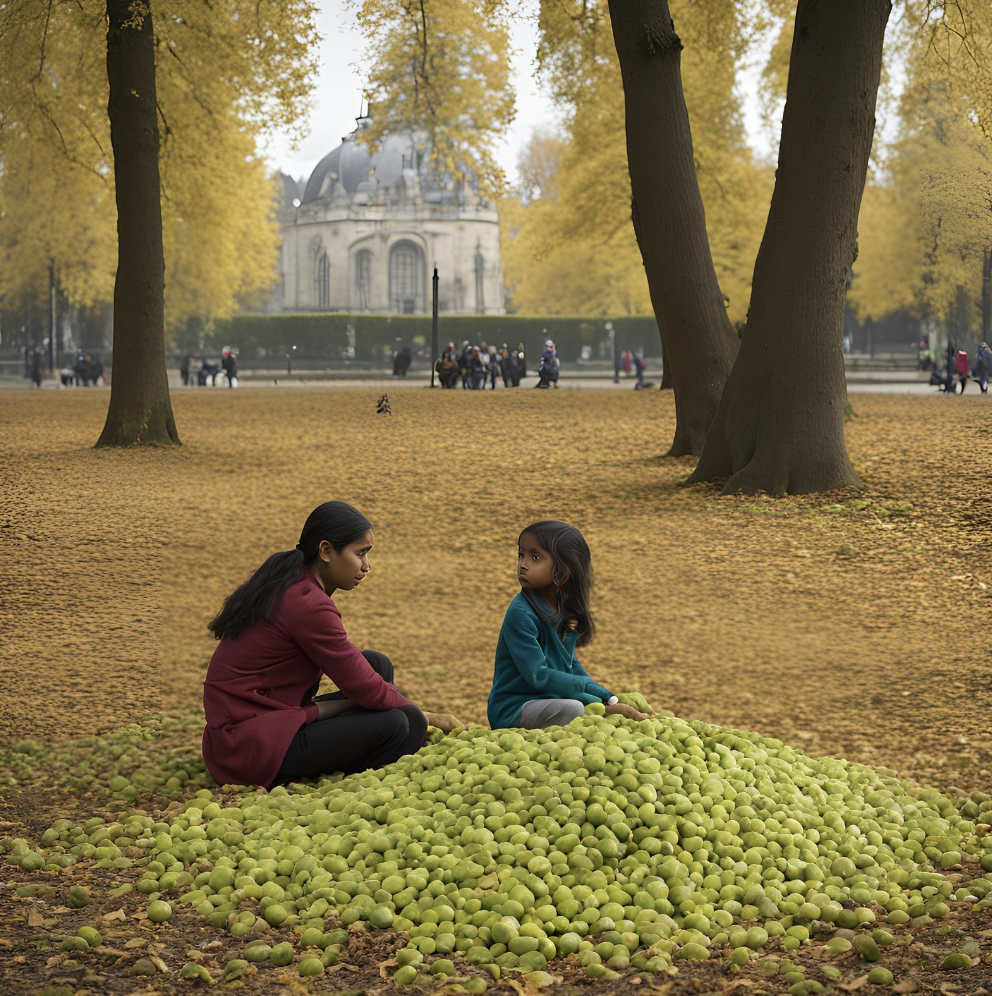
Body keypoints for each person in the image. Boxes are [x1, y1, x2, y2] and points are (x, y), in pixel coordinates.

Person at [202, 501, 446, 788]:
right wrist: (427, 716)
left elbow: (359, 675)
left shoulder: (294, 583)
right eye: (360, 554)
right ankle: (354, 776)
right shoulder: (307, 604)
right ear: (326, 551)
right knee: (400, 723)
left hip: (258, 725)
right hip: (248, 747)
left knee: (377, 665)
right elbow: (363, 686)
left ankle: (343, 755)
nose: (366, 566)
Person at [488, 520, 649, 730]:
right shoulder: (520, 613)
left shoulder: (562, 612)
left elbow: (571, 665)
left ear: (563, 574)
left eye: (535, 557)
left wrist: (605, 698)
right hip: (514, 709)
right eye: (521, 555)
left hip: (552, 699)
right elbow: (538, 675)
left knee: (579, 707)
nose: (523, 564)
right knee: (574, 709)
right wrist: (593, 696)